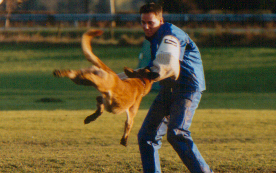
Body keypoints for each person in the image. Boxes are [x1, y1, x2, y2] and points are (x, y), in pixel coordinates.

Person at [136, 3, 213, 173]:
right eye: (143, 22)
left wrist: (154, 72)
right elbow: (152, 69)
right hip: (168, 89)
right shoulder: (154, 39)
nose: (146, 27)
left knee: (177, 133)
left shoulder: (172, 33)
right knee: (146, 136)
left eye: (151, 22)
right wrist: (117, 79)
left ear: (161, 20)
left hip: (187, 88)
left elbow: (169, 61)